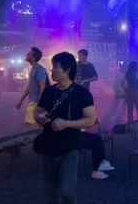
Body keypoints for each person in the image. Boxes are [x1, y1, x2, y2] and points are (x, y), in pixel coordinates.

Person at [34, 52, 96, 204]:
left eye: (55, 67)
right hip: (48, 147)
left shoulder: (82, 93)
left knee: (66, 191)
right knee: (51, 192)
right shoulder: (49, 91)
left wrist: (67, 124)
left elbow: (90, 120)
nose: (51, 70)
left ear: (67, 70)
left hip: (70, 148)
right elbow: (38, 110)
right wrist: (40, 116)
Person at [17, 47, 48, 126]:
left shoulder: (39, 69)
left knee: (27, 124)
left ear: (34, 57)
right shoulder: (33, 69)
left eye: (30, 53)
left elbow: (42, 87)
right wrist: (21, 100)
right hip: (33, 101)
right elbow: (29, 87)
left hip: (35, 102)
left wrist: (40, 104)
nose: (27, 54)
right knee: (40, 125)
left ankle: (25, 138)